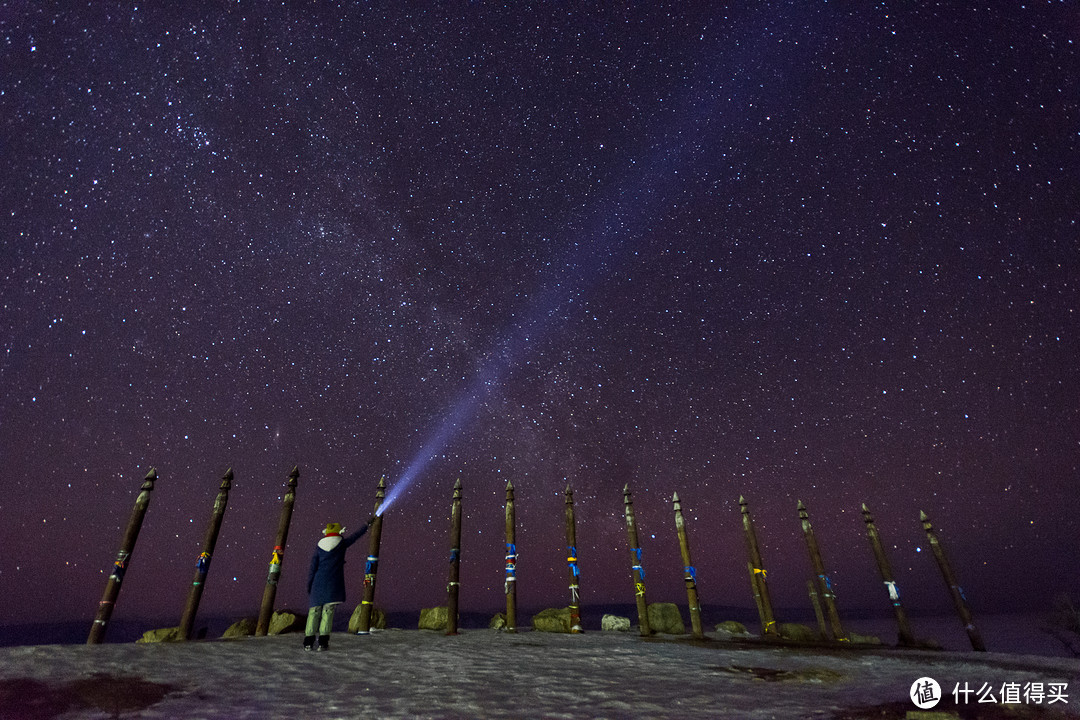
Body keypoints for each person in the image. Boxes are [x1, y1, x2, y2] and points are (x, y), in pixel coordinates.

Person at [304, 516, 375, 651]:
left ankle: (308, 642)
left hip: (317, 585)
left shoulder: (319, 547)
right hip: (333, 584)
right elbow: (355, 536)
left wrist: (309, 585)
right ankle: (323, 643)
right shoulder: (341, 544)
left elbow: (313, 568)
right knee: (327, 614)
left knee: (313, 613)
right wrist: (366, 525)